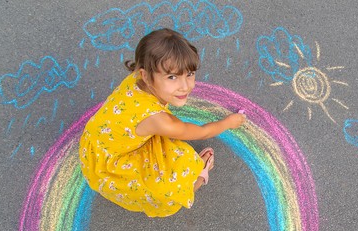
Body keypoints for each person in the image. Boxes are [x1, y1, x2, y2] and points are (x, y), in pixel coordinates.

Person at [79, 28, 246, 218]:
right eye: (172, 77)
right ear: (146, 75)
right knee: (179, 167)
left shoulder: (136, 79)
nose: (185, 86)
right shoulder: (160, 121)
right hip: (111, 165)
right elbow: (201, 132)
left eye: (189, 74)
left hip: (96, 144)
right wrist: (229, 122)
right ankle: (195, 182)